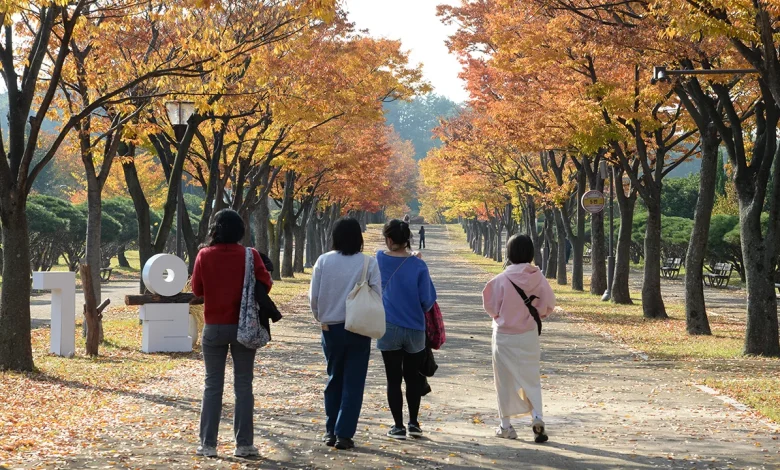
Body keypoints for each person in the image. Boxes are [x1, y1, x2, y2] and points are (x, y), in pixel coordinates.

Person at [191, 209, 273, 458]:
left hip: (214, 327)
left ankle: (208, 444)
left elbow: (197, 289)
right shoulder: (250, 255)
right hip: (244, 326)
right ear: (241, 230)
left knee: (212, 385)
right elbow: (266, 284)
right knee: (244, 385)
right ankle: (244, 444)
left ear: (215, 229)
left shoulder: (204, 255)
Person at [309, 217, 381, 450]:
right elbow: (377, 295)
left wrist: (321, 317)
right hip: (359, 328)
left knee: (334, 378)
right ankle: (344, 433)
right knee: (354, 382)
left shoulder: (323, 260)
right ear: (359, 237)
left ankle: (330, 431)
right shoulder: (368, 263)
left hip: (331, 328)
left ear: (335, 236)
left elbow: (314, 297)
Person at [482, 234, 555, 443]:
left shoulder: (500, 280)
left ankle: (506, 427)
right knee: (531, 378)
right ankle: (537, 418)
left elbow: (490, 307)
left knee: (504, 381)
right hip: (529, 334)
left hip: (504, 336)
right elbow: (549, 304)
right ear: (531, 253)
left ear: (509, 252)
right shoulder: (539, 278)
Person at [376, 219, 437, 440]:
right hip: (415, 328)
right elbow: (428, 301)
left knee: (393, 379)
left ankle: (398, 426)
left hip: (388, 327)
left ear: (388, 239)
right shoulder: (419, 265)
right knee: (413, 378)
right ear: (408, 239)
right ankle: (413, 423)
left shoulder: (378, 259)